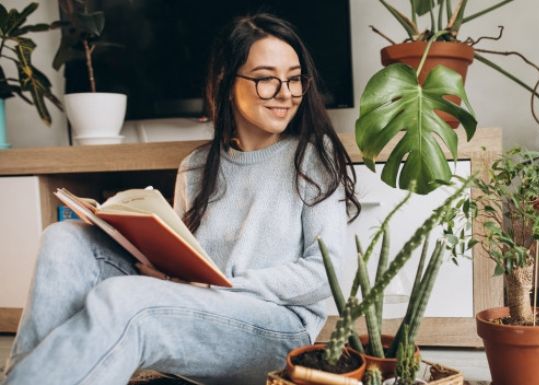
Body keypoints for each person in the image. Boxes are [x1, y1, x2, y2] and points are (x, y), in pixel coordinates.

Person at [2, 13, 359, 385]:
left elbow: (324, 274)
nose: (286, 93)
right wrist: (163, 270)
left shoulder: (314, 157)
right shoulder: (196, 167)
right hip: (201, 308)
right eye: (267, 79)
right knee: (64, 239)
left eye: (295, 78)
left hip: (277, 331)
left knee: (128, 301)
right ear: (225, 81)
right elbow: (187, 263)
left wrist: (223, 284)